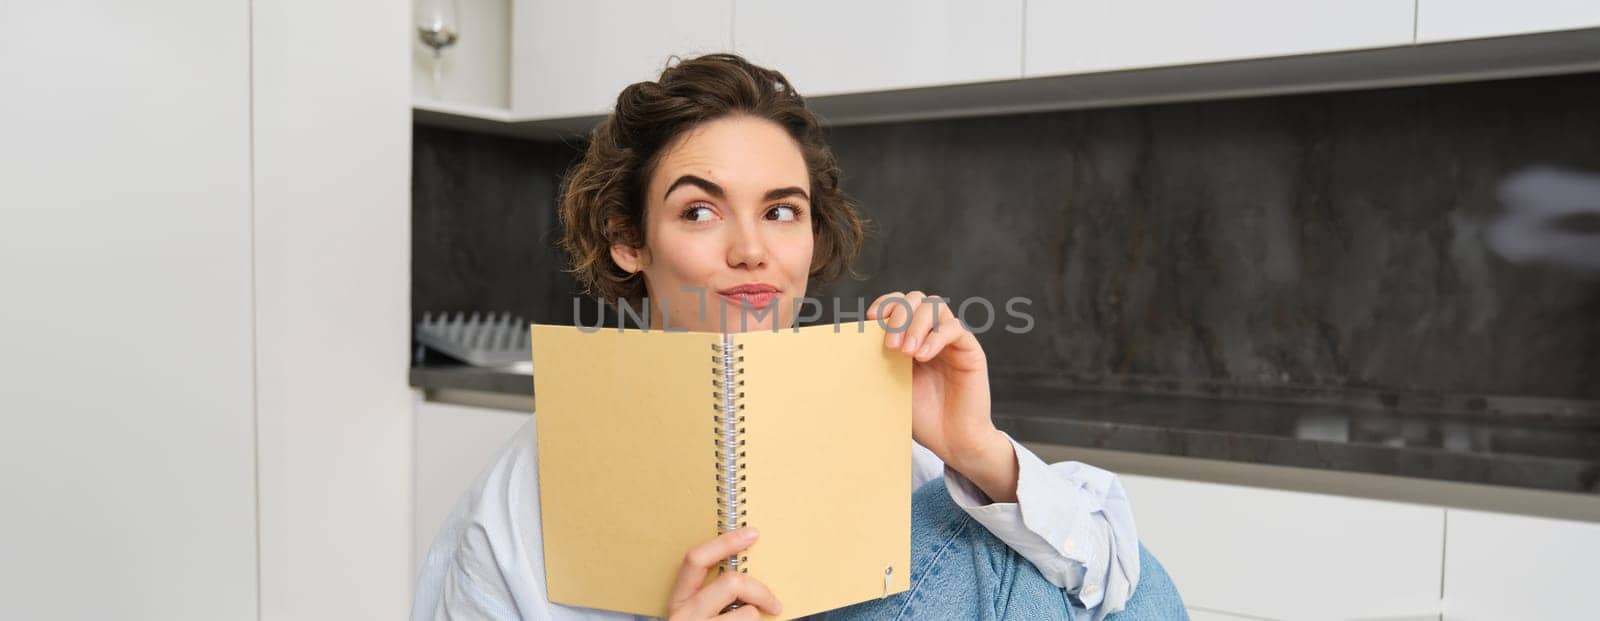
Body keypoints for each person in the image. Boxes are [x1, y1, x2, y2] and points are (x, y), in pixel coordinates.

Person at [411, 53, 1187, 621]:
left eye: (782, 210)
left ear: (812, 240)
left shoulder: (898, 433)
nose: (752, 249)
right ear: (628, 241)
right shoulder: (516, 507)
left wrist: (976, 450)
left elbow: (1129, 590)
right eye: (700, 210)